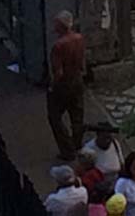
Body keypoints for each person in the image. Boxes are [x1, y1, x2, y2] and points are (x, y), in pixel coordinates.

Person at [47, 10, 85, 161]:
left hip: (63, 85)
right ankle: (77, 144)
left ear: (61, 26)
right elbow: (82, 63)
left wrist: (52, 86)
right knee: (77, 115)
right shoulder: (79, 38)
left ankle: (67, 150)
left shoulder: (58, 46)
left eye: (56, 23)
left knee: (54, 117)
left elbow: (59, 72)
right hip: (77, 80)